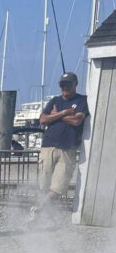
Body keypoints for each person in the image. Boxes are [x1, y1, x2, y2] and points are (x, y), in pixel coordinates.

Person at [33, 71, 89, 218]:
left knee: (59, 185)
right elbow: (43, 119)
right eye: (62, 85)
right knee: (44, 183)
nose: (64, 88)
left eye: (68, 85)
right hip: (48, 146)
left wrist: (58, 116)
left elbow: (77, 121)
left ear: (75, 84)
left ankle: (40, 208)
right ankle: (45, 215)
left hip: (67, 148)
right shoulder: (55, 101)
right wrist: (63, 113)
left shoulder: (82, 100)